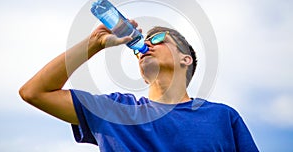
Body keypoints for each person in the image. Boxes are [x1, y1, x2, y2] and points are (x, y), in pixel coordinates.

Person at [19, 20, 259, 151]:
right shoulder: (115, 110)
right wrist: (94, 44)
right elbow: (34, 92)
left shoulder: (222, 118)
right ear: (143, 76)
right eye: (143, 43)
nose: (146, 46)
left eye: (157, 39)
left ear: (186, 59)